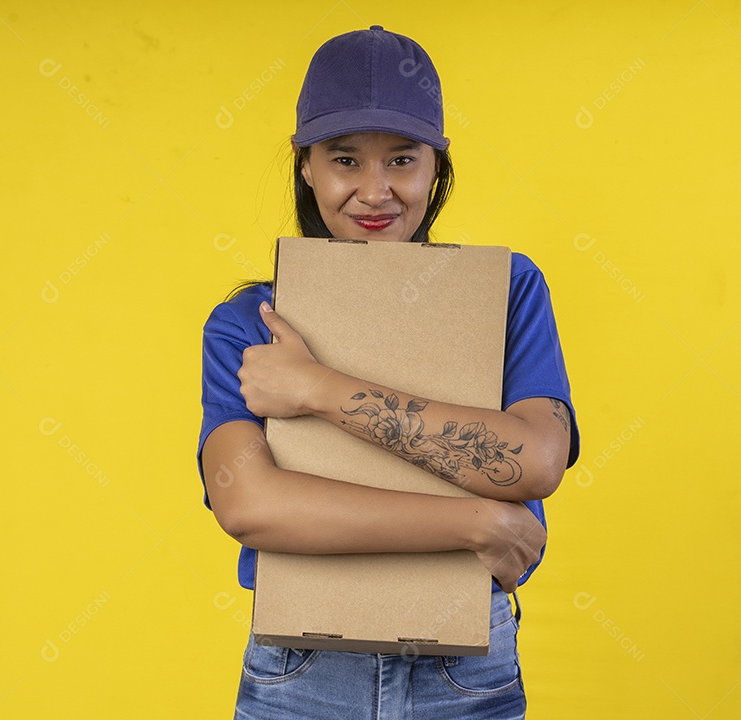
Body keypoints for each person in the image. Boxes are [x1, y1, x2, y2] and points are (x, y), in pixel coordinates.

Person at [197, 25, 580, 719]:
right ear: (305, 164)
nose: (376, 192)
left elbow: (534, 460)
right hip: (303, 672)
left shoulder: (505, 292)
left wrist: (315, 389)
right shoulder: (250, 323)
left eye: (402, 160)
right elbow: (251, 505)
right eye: (345, 160)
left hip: (466, 673)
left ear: (437, 164)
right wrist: (475, 522)